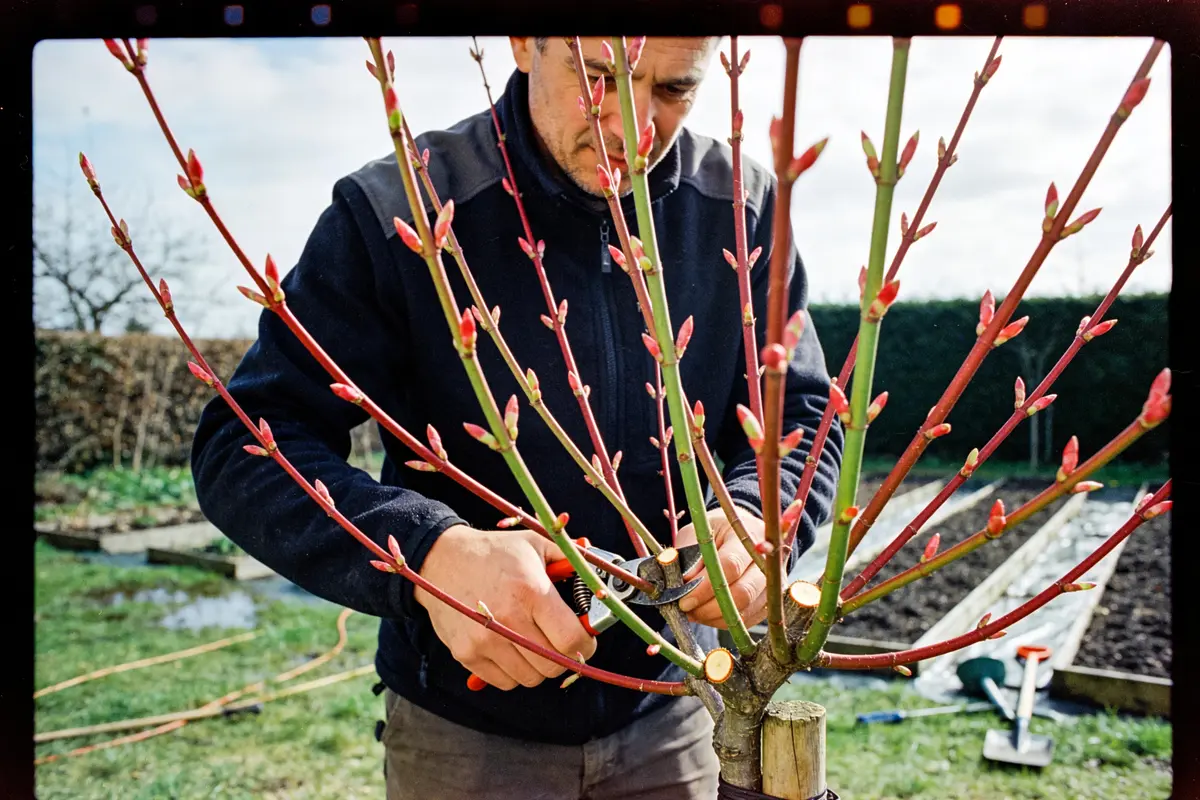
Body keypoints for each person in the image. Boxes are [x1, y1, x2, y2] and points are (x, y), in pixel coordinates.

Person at [191, 35, 843, 800]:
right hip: (464, 730)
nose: (631, 131)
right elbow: (247, 441)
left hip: (682, 705)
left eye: (674, 90)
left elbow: (804, 413)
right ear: (526, 42)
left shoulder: (743, 211)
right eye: (600, 76)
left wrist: (765, 521)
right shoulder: (400, 209)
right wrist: (428, 556)